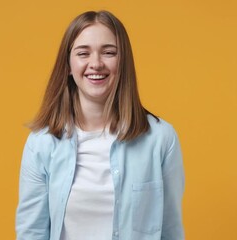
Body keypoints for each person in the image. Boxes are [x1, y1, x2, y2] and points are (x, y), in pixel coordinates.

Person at [15, 10, 185, 240]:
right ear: (68, 65)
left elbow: (170, 230)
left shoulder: (160, 139)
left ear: (123, 62)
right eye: (83, 53)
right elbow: (31, 233)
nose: (96, 64)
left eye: (109, 52)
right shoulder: (41, 144)